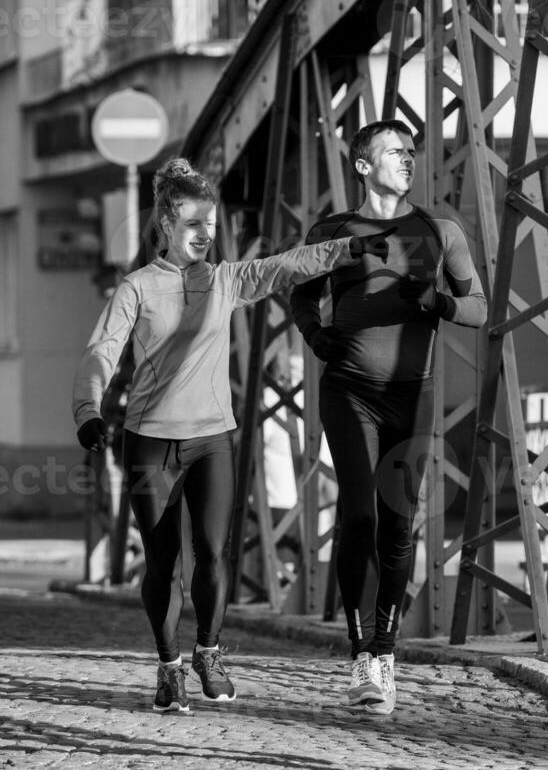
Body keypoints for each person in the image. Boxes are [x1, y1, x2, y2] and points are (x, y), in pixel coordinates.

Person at [72, 156, 393, 714]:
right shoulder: (137, 288)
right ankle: (169, 667)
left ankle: (209, 652)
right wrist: (88, 411)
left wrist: (346, 250)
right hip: (151, 442)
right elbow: (102, 350)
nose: (205, 236)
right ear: (167, 225)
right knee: (163, 562)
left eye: (212, 228)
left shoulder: (225, 280)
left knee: (215, 557)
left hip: (212, 440)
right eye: (194, 225)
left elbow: (285, 265)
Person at [290, 120, 486, 716]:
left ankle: (386, 653)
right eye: (394, 151)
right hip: (348, 389)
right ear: (361, 164)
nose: (407, 159)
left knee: (397, 526)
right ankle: (359, 658)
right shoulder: (332, 231)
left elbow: (478, 307)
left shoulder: (438, 230)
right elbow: (298, 289)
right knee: (356, 516)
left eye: (410, 152)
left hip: (413, 394)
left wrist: (439, 303)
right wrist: (315, 335)